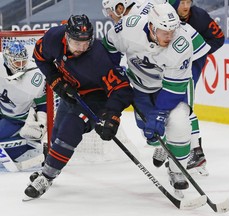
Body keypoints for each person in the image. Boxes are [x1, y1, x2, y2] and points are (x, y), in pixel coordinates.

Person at [24, 14, 133, 199]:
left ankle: (46, 177)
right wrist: (55, 79)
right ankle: (50, 166)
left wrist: (112, 116)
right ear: (66, 37)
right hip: (71, 92)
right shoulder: (53, 38)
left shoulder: (98, 57)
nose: (82, 48)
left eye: (86, 42)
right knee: (57, 132)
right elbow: (39, 56)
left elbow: (122, 89)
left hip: (96, 98)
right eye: (77, 42)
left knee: (70, 128)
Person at [102, 3, 210, 191]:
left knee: (179, 122)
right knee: (149, 132)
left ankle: (177, 170)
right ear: (151, 26)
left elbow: (174, 87)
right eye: (164, 32)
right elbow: (109, 45)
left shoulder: (181, 43)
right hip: (141, 85)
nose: (169, 36)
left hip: (170, 84)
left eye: (172, 31)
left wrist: (160, 113)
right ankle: (164, 145)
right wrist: (112, 68)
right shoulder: (129, 27)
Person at [167, 0, 225, 174]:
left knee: (182, 106)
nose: (186, 6)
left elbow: (218, 38)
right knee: (171, 106)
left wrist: (196, 54)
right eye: (182, 2)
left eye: (189, 2)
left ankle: (196, 152)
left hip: (189, 68)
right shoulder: (163, 14)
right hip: (167, 66)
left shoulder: (199, 16)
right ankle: (180, 146)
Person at [0, 40, 47, 172]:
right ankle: (29, 147)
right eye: (17, 62)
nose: (21, 66)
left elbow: (42, 102)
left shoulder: (35, 75)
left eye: (23, 62)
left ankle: (32, 147)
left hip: (18, 119)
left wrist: (42, 123)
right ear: (8, 60)